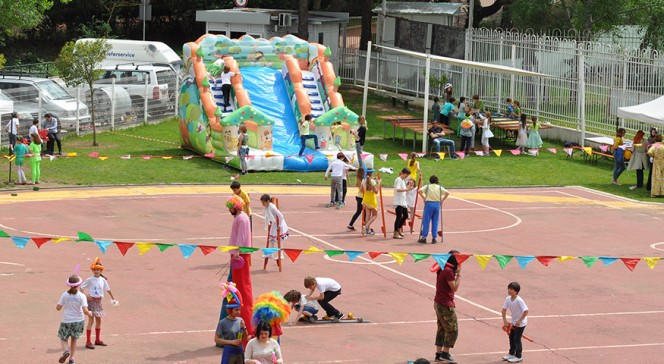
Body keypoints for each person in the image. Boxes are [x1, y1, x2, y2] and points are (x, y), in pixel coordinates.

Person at [220, 196, 254, 338]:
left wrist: (236, 253)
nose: (229, 210)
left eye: (230, 207)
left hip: (239, 256)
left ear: (236, 207)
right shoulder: (240, 217)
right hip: (237, 255)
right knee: (236, 285)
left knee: (241, 286)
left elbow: (241, 236)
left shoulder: (241, 218)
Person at [56, 275, 93, 364]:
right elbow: (85, 311)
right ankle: (71, 359)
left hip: (67, 320)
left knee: (63, 338)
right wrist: (90, 313)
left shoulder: (64, 294)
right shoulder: (82, 296)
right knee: (74, 340)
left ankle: (66, 351)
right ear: (79, 284)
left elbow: (58, 308)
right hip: (78, 321)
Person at [81, 258, 117, 350]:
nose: (96, 271)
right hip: (92, 301)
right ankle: (88, 342)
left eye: (98, 269)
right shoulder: (90, 279)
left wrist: (113, 297)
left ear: (101, 270)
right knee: (91, 320)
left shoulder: (103, 280)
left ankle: (97, 339)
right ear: (92, 270)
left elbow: (108, 289)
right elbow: (81, 288)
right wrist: (85, 296)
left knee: (99, 320)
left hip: (99, 302)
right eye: (95, 269)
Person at [433, 250, 462, 364]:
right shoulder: (448, 271)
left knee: (441, 329)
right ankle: (445, 353)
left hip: (438, 302)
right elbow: (454, 287)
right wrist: (458, 274)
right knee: (452, 329)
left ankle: (438, 354)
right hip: (445, 304)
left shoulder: (442, 268)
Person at [215, 290, 248, 364]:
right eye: (236, 310)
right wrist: (231, 342)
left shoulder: (241, 320)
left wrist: (244, 328)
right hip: (229, 352)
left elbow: (245, 337)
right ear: (230, 310)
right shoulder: (223, 323)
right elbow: (216, 339)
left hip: (239, 351)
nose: (239, 312)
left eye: (239, 310)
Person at [501, 282, 529, 363]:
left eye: (511, 289)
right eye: (509, 289)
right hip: (514, 322)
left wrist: (520, 321)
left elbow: (526, 311)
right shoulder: (508, 299)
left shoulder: (519, 300)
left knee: (517, 339)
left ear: (516, 291)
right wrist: (505, 321)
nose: (509, 291)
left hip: (521, 323)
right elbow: (504, 310)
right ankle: (511, 353)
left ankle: (518, 356)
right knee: (511, 338)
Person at [418, 175, 449, 244]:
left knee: (426, 220)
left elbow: (419, 191)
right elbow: (447, 193)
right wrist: (442, 200)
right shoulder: (439, 187)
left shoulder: (428, 186)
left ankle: (424, 237)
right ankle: (434, 238)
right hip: (437, 204)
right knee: (435, 221)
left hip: (429, 204)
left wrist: (424, 198)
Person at [260, 194, 288, 259]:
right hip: (274, 223)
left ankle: (281, 255)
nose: (262, 204)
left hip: (278, 224)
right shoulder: (267, 207)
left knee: (279, 240)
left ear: (267, 201)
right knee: (271, 240)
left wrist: (280, 225)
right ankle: (270, 254)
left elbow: (281, 216)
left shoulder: (272, 207)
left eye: (263, 202)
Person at [393, 168, 413, 239]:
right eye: (406, 175)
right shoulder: (398, 180)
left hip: (403, 202)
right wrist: (407, 189)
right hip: (398, 201)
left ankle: (398, 229)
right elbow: (398, 189)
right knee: (399, 217)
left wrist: (409, 187)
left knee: (405, 215)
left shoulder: (403, 181)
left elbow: (403, 189)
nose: (407, 176)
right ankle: (395, 232)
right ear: (404, 173)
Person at [361, 168, 380, 236]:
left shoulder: (363, 180)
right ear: (371, 173)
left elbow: (362, 189)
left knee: (368, 214)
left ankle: (368, 230)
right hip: (372, 199)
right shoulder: (372, 181)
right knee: (375, 215)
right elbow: (376, 191)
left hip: (366, 198)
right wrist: (379, 184)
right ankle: (366, 226)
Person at [406, 153, 421, 221]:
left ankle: (407, 202)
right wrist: (420, 173)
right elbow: (418, 169)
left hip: (408, 176)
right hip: (413, 176)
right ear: (415, 157)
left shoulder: (409, 161)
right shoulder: (417, 162)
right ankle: (410, 201)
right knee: (413, 189)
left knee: (408, 188)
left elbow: (407, 168)